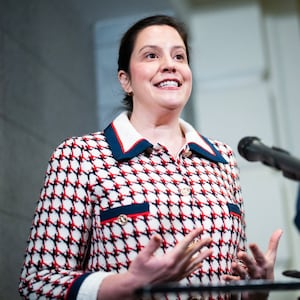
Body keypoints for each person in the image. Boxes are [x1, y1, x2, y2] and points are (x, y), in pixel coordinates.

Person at [19, 15, 282, 300]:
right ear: (126, 81)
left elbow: (230, 284)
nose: (170, 64)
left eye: (179, 56)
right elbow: (37, 283)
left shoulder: (222, 160)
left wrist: (255, 291)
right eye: (151, 55)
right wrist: (128, 285)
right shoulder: (81, 156)